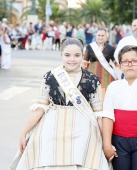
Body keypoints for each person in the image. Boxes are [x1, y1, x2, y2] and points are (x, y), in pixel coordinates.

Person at [12, 38, 110, 170]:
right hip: (52, 129)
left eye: (77, 55)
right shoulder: (50, 77)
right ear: (61, 56)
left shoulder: (92, 80)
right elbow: (40, 108)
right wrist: (23, 133)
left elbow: (98, 113)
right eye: (67, 55)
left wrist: (106, 142)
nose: (72, 59)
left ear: (82, 56)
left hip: (83, 130)